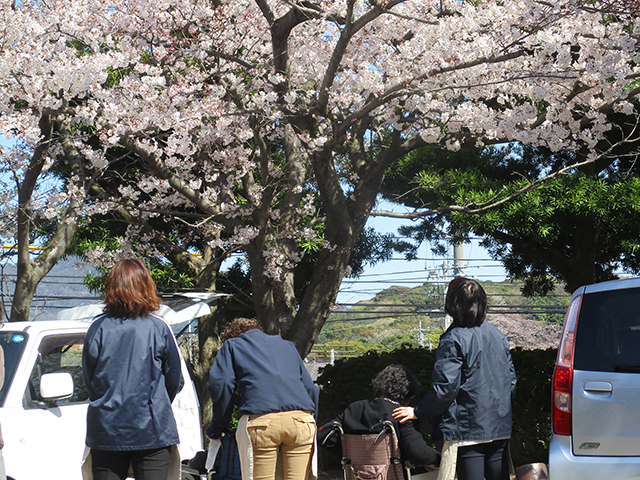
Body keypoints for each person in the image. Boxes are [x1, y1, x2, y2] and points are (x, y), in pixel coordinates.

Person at [393, 277, 516, 480]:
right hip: (499, 424)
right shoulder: (498, 335)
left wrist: (418, 411)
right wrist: (503, 411)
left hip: (467, 429)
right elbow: (511, 381)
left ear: (452, 304)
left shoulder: (453, 339)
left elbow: (445, 388)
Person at [82, 258, 183, 480]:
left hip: (107, 428)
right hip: (152, 429)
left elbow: (90, 379)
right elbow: (174, 379)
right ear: (146, 286)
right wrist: (156, 403)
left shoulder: (98, 327)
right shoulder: (158, 327)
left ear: (111, 288)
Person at [207, 318, 319, 480]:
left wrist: (218, 427)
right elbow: (310, 388)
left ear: (232, 336)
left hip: (262, 423)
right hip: (301, 421)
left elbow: (222, 384)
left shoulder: (232, 345)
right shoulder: (287, 346)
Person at [319, 364, 439, 468]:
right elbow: (419, 454)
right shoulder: (400, 414)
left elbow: (322, 435)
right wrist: (440, 459)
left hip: (357, 474)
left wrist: (349, 458)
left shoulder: (354, 409)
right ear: (406, 394)